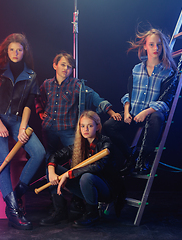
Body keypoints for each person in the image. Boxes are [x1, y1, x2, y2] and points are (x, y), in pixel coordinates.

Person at [35, 52, 121, 219]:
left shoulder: (77, 85)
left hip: (69, 130)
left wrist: (110, 111)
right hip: (49, 130)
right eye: (63, 65)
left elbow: (96, 98)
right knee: (50, 165)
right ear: (55, 65)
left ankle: (79, 201)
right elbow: (37, 97)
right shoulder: (46, 84)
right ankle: (58, 207)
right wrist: (39, 111)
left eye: (69, 66)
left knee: (79, 162)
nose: (66, 69)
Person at [0, 33, 45, 230]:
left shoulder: (31, 75)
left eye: (19, 50)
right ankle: (14, 212)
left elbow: (28, 104)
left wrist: (23, 127)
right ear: (6, 52)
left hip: (17, 120)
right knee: (3, 162)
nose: (16, 53)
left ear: (24, 52)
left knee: (39, 152)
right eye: (12, 50)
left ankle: (14, 197)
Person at [103, 28, 178, 176]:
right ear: (145, 46)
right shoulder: (136, 69)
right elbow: (129, 95)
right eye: (151, 44)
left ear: (163, 46)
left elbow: (165, 101)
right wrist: (126, 112)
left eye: (159, 44)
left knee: (157, 117)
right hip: (133, 113)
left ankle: (142, 160)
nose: (156, 48)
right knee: (108, 126)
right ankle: (130, 157)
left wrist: (146, 112)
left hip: (151, 115)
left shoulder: (168, 71)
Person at [39, 110, 125, 227]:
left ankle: (92, 214)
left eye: (90, 126)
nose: (86, 129)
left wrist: (68, 174)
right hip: (86, 188)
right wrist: (51, 173)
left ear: (98, 126)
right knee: (54, 168)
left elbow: (97, 166)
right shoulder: (79, 144)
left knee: (87, 177)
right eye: (82, 126)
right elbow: (55, 156)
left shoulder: (105, 142)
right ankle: (60, 210)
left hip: (106, 190)